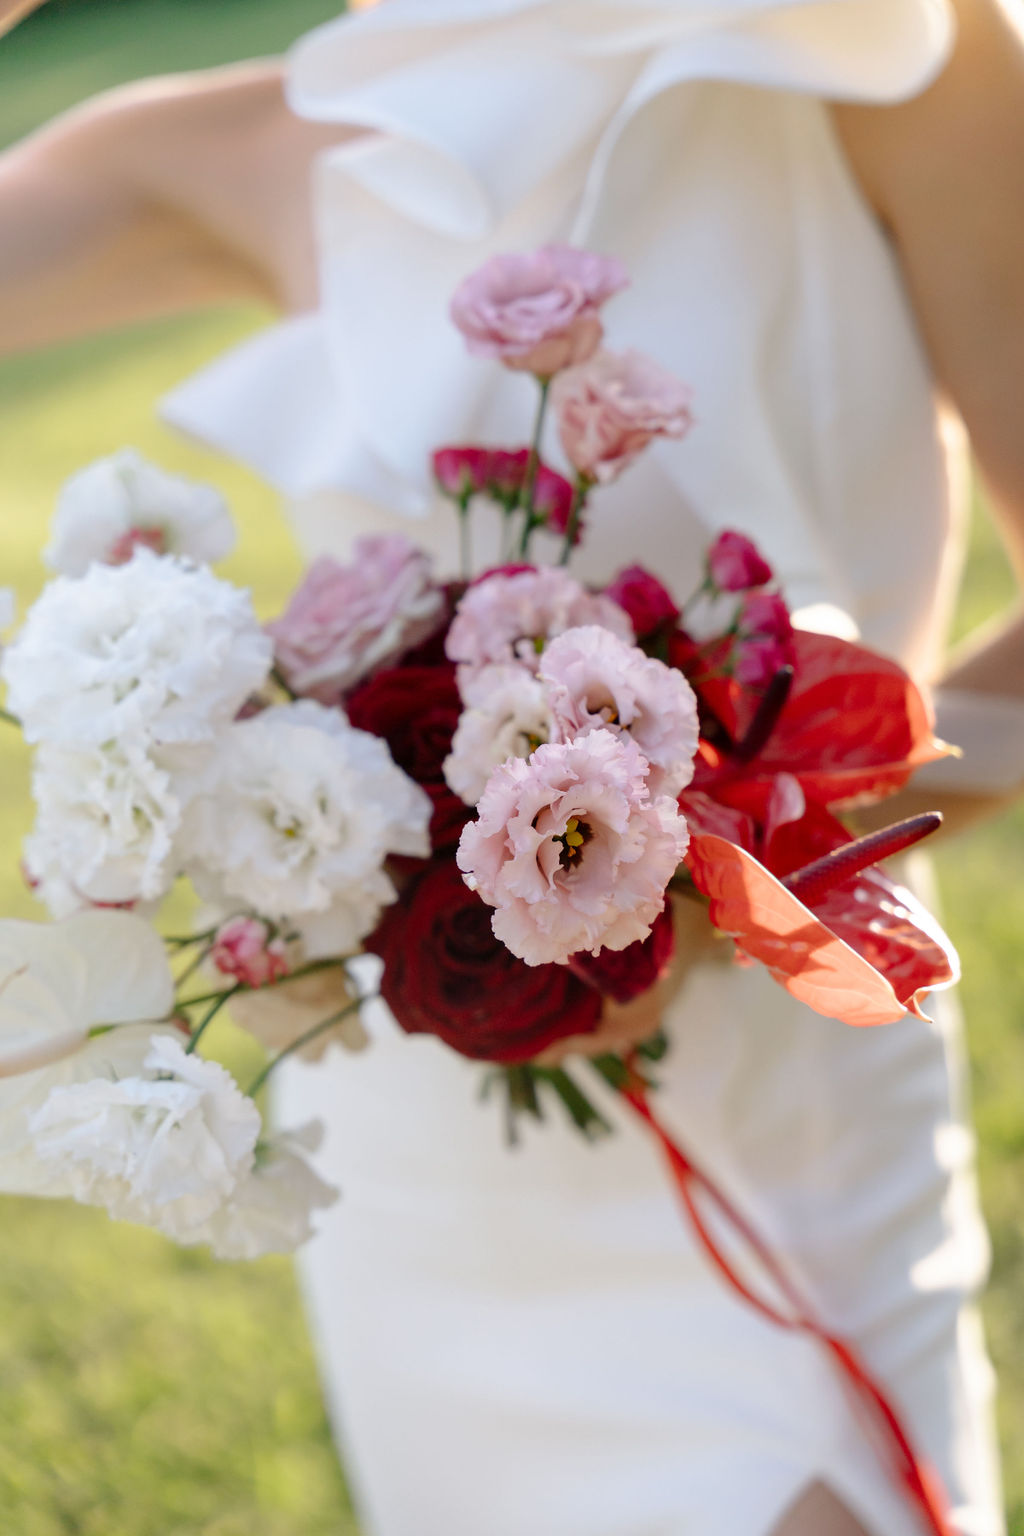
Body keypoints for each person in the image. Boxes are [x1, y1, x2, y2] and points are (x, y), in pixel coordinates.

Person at [2, 2, 1024, 1532]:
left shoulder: (876, 52)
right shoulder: (235, 146)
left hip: (776, 1112)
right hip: (433, 1158)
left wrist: (703, 900)